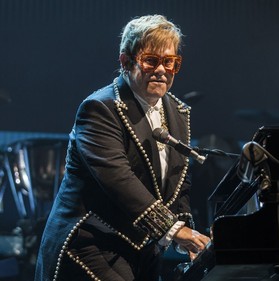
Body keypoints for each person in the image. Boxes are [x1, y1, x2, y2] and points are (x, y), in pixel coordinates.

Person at [34, 14, 211, 281]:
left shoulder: (176, 110)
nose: (161, 70)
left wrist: (185, 233)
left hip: (142, 248)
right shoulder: (99, 109)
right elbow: (118, 178)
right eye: (151, 60)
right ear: (126, 61)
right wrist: (172, 230)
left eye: (170, 62)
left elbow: (178, 181)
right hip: (90, 243)